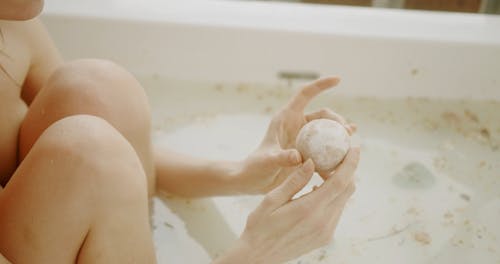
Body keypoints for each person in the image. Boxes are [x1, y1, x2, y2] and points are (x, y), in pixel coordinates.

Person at [0, 0, 360, 263]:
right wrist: (256, 253)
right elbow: (86, 156)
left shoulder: (13, 26)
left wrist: (238, 174)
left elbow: (102, 164)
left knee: (94, 88)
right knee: (84, 146)